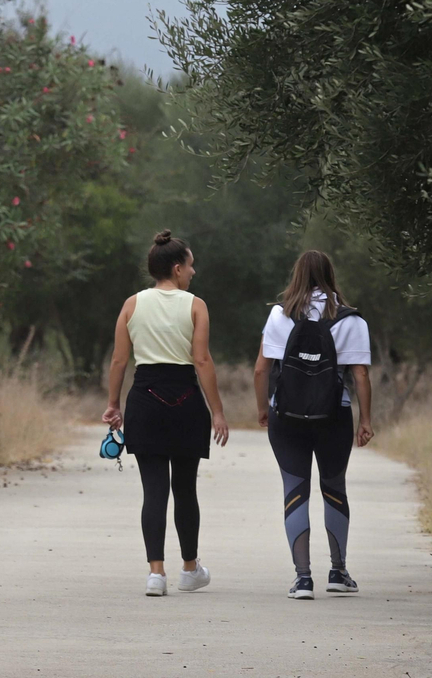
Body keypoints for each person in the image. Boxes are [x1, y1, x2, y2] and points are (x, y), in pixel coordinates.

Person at [103, 231, 230, 597]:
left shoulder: (131, 304)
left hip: (144, 398)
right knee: (185, 488)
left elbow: (119, 360)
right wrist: (217, 411)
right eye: (190, 265)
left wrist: (114, 404)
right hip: (186, 400)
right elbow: (202, 360)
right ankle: (189, 569)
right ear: (177, 268)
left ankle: (155, 574)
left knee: (153, 490)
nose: (193, 271)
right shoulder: (195, 305)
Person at [254, 250, 374, 600]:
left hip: (286, 417)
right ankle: (338, 572)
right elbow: (361, 375)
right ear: (330, 275)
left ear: (296, 276)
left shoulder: (279, 316)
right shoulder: (351, 320)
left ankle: (303, 578)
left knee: (295, 491)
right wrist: (365, 419)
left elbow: (261, 369)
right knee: (334, 489)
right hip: (333, 416)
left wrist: (264, 408)